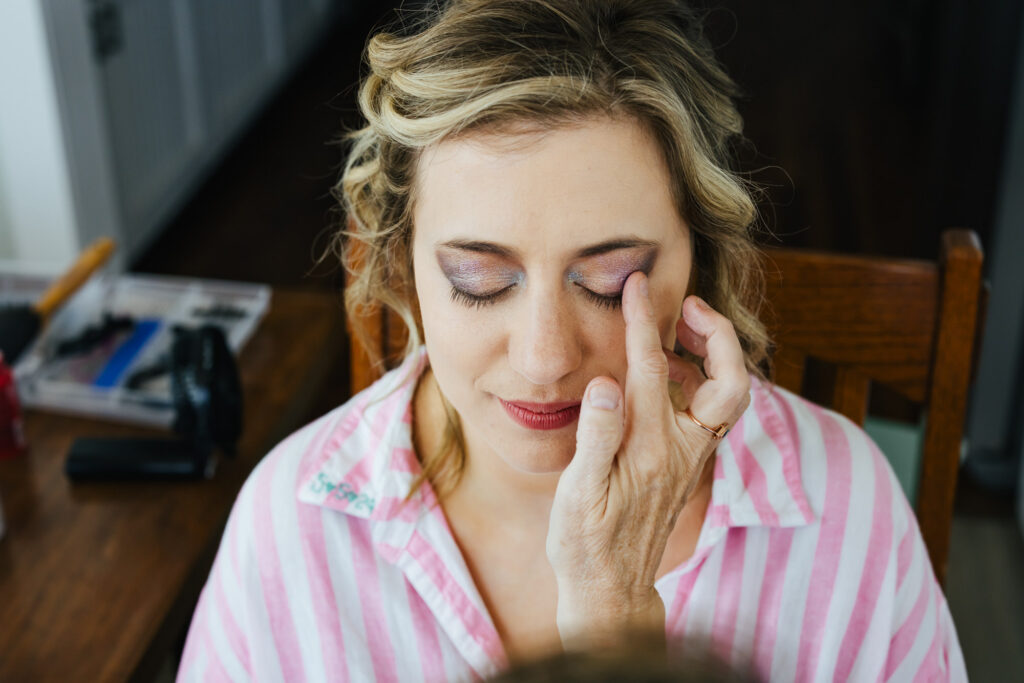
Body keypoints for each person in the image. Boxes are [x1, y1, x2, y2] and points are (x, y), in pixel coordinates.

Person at [178, 1, 967, 681]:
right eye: (479, 281)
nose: (545, 357)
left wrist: (615, 625)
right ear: (400, 261)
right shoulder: (292, 529)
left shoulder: (843, 509)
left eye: (608, 279)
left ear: (700, 255)